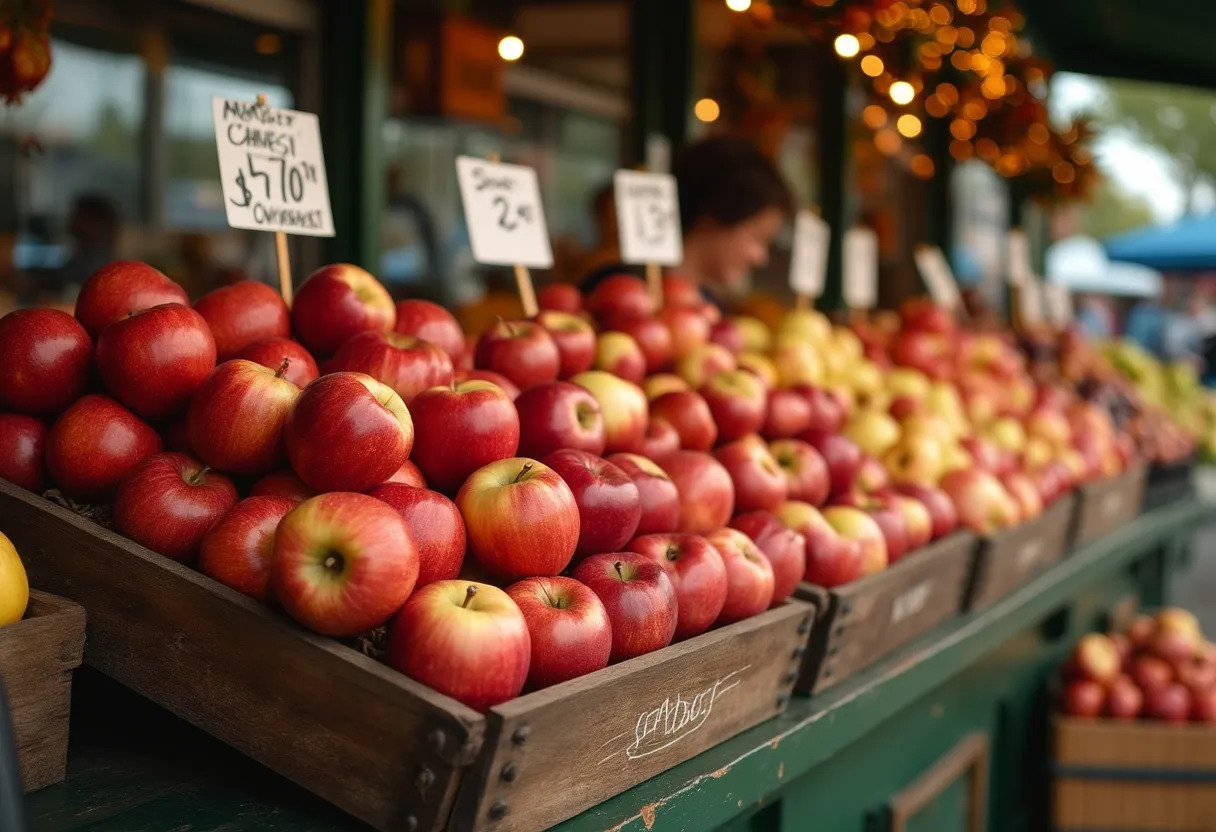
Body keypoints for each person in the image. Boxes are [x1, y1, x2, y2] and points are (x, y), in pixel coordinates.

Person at [581, 136, 792, 303]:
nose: (761, 257)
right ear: (716, 214)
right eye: (758, 238)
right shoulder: (612, 288)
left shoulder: (712, 311)